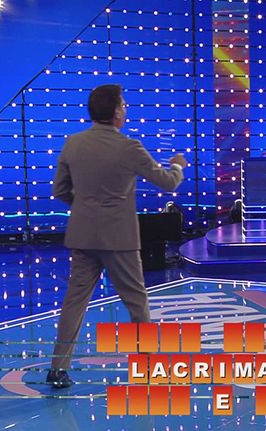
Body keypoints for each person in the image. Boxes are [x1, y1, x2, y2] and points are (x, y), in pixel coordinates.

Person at [47, 84, 187, 388]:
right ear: (114, 112)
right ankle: (147, 368)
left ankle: (57, 369)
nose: (125, 110)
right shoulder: (129, 147)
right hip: (119, 239)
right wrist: (177, 166)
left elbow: (60, 190)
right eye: (123, 105)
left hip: (83, 236)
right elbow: (168, 182)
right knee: (137, 303)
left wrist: (85, 207)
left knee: (74, 303)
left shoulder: (73, 143)